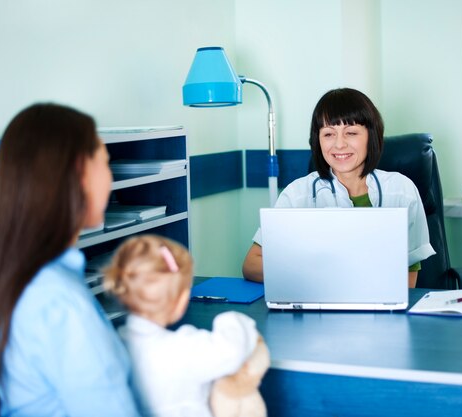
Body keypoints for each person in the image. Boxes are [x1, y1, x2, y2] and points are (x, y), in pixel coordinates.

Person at [0, 103, 140, 416]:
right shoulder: (61, 303)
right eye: (106, 163)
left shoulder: (11, 279)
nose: (111, 177)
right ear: (81, 173)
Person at [242, 88, 435, 288]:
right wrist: (321, 275)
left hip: (381, 311)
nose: (339, 144)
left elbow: (408, 276)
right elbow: (252, 264)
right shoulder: (297, 195)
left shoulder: (401, 190)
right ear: (317, 140)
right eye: (328, 134)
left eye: (351, 133)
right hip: (314, 307)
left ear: (371, 136)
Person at [104, 234, 260, 417]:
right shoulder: (185, 347)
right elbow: (232, 352)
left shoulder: (112, 345)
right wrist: (231, 319)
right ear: (180, 303)